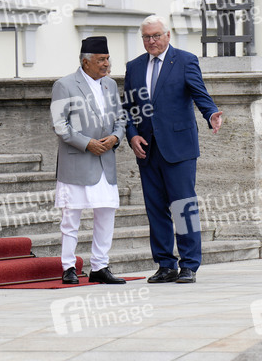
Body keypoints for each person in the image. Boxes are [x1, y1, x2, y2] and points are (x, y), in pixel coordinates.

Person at [123, 15, 222, 284]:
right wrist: (132, 136)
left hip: (179, 148)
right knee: (156, 209)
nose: (152, 41)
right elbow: (129, 107)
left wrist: (211, 113)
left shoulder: (186, 60)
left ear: (168, 35)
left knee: (183, 207)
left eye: (156, 35)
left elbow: (200, 93)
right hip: (147, 149)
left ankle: (189, 264)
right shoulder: (133, 67)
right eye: (146, 37)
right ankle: (166, 264)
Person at [50, 36, 126, 285]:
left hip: (105, 160)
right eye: (101, 60)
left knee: (106, 214)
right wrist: (87, 143)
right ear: (86, 62)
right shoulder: (64, 85)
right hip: (78, 161)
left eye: (107, 59)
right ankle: (68, 266)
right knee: (71, 217)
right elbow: (60, 126)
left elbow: (121, 118)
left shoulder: (111, 85)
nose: (107, 64)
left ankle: (100, 266)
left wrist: (115, 137)